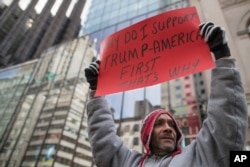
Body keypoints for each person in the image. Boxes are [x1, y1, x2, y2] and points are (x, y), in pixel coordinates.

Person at [84, 22, 248, 167]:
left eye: (172, 125)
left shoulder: (200, 155)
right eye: (159, 124)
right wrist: (96, 93)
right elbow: (103, 140)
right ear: (147, 133)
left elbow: (225, 124)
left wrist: (222, 57)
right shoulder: (127, 162)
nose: (168, 129)